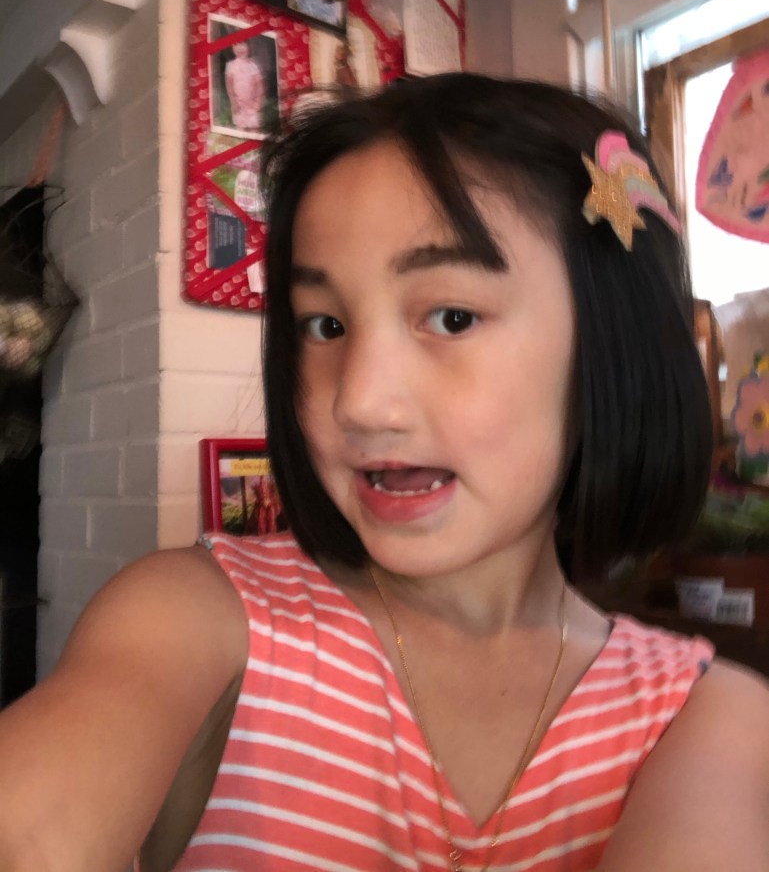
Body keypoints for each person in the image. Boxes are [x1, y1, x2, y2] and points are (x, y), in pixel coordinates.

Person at [1, 74, 768, 872]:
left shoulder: (703, 714)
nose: (358, 402)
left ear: (612, 345)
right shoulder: (195, 620)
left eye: (450, 317)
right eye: (324, 325)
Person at [223, 41, 264, 132]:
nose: (239, 48)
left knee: (254, 130)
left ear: (249, 46)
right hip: (239, 105)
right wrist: (233, 102)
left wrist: (258, 102)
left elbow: (259, 85)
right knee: (240, 130)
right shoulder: (231, 66)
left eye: (242, 44)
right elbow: (229, 85)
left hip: (252, 105)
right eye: (235, 44)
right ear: (232, 48)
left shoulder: (253, 66)